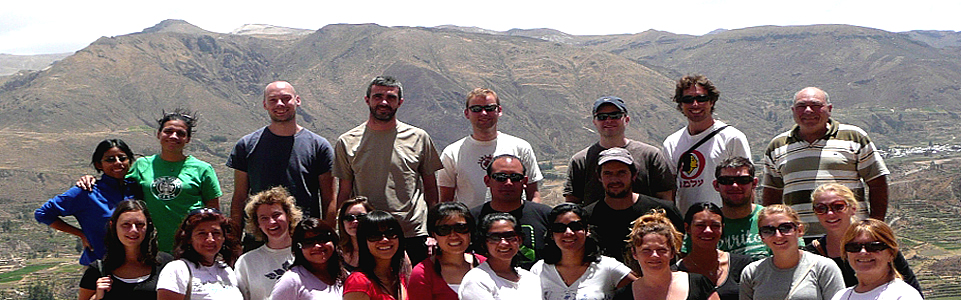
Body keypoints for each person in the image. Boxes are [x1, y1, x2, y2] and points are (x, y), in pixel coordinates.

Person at [334, 76, 443, 266]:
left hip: (412, 233)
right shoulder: (347, 141)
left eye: (391, 97)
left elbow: (431, 190)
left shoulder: (419, 138)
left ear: (400, 102)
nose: (384, 102)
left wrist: (434, 231)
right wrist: (341, 233)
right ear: (367, 100)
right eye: (377, 96)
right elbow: (344, 192)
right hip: (367, 234)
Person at [761, 87, 889, 238]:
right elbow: (772, 194)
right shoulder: (777, 145)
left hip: (851, 237)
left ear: (829, 108)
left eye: (816, 106)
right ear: (793, 110)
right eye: (801, 106)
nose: (808, 111)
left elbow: (877, 182)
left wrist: (875, 226)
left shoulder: (854, 137)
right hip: (800, 241)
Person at [226, 81, 335, 227]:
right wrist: (235, 240)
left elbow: (329, 199)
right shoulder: (246, 145)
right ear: (265, 105)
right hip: (260, 237)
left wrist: (327, 236)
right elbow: (239, 198)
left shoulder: (319, 146)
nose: (280, 104)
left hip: (303, 237)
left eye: (286, 99)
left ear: (297, 100)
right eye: (273, 100)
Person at [803, 184, 921, 293]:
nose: (830, 213)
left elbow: (912, 287)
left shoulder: (878, 245)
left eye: (838, 206)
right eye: (821, 208)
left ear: (853, 208)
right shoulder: (811, 254)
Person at [36, 139, 136, 266]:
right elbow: (43, 213)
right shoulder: (87, 192)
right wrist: (81, 234)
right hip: (100, 266)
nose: (118, 163)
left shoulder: (136, 188)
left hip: (137, 265)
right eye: (110, 159)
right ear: (99, 164)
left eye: (122, 158)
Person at [438, 87, 543, 207]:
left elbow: (533, 193)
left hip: (514, 223)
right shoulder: (452, 153)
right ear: (467, 113)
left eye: (490, 108)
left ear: (499, 111)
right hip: (471, 223)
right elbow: (446, 200)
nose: (484, 113)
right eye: (476, 109)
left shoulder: (521, 147)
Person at [662, 75, 751, 215]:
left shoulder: (732, 138)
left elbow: (746, 184)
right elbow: (669, 191)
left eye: (701, 98)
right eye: (688, 100)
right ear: (680, 104)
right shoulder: (671, 143)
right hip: (689, 226)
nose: (695, 104)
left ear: (712, 101)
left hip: (726, 222)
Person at [565, 96, 675, 206]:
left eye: (615, 116)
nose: (608, 120)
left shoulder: (650, 155)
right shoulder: (580, 161)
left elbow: (665, 198)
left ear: (626, 119)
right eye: (602, 117)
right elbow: (572, 203)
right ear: (594, 122)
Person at [583, 147, 683, 263]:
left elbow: (681, 250)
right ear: (599, 177)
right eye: (608, 173)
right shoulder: (587, 217)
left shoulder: (664, 211)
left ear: (634, 175)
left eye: (621, 173)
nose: (615, 179)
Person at [531, 203, 635, 300]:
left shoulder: (608, 267)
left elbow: (641, 288)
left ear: (587, 230)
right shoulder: (539, 270)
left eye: (576, 227)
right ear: (551, 234)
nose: (568, 233)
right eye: (559, 228)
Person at [740, 205, 844, 300]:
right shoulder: (752, 272)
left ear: (799, 230)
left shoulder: (823, 267)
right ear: (761, 237)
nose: (778, 235)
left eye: (785, 228)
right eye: (768, 230)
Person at [613, 210, 719, 300]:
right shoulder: (623, 296)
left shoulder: (698, 284)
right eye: (646, 250)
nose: (654, 255)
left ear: (672, 252)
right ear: (634, 253)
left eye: (661, 250)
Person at [78, 200, 174, 300]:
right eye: (126, 224)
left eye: (139, 224)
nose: (133, 230)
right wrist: (97, 297)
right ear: (113, 226)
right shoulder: (97, 270)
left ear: (148, 226)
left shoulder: (166, 264)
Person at [469, 154, 551, 268]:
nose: (508, 182)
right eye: (500, 177)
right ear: (487, 181)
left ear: (525, 181)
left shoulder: (546, 216)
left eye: (515, 177)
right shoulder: (471, 219)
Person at [234, 187, 304, 300]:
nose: (271, 222)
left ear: (289, 216)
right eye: (264, 218)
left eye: (276, 215)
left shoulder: (308, 253)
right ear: (258, 224)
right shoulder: (246, 262)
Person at [157, 208, 242, 299]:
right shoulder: (177, 270)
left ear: (224, 238)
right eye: (202, 233)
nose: (210, 239)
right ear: (189, 238)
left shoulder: (226, 271)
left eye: (216, 233)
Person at [829, 219, 923, 300]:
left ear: (891, 254)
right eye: (854, 247)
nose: (863, 252)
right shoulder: (841, 296)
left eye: (873, 246)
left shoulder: (904, 295)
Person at [676, 202, 753, 300]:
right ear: (687, 228)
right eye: (700, 225)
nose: (708, 230)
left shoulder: (743, 265)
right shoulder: (676, 272)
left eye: (715, 226)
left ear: (722, 228)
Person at [409, 202, 485, 300]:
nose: (453, 235)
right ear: (433, 234)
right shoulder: (422, 273)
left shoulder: (485, 264)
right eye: (444, 229)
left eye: (460, 228)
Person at [459, 213, 541, 299]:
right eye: (495, 238)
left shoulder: (531, 278)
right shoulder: (477, 280)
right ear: (484, 243)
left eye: (509, 236)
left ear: (520, 240)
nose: (504, 243)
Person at [270, 218, 346, 299]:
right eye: (308, 242)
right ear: (299, 247)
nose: (317, 246)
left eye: (322, 239)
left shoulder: (344, 275)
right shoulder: (292, 281)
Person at [343, 210, 409, 300]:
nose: (384, 240)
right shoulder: (358, 282)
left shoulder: (398, 276)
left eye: (390, 233)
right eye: (374, 236)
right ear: (364, 242)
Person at [712, 157, 770, 259]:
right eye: (726, 181)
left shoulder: (772, 220)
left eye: (743, 180)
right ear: (716, 185)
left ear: (754, 183)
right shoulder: (704, 225)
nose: (734, 185)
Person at [338, 196, 375, 272]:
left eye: (361, 217)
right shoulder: (337, 252)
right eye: (349, 218)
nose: (355, 221)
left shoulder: (385, 246)